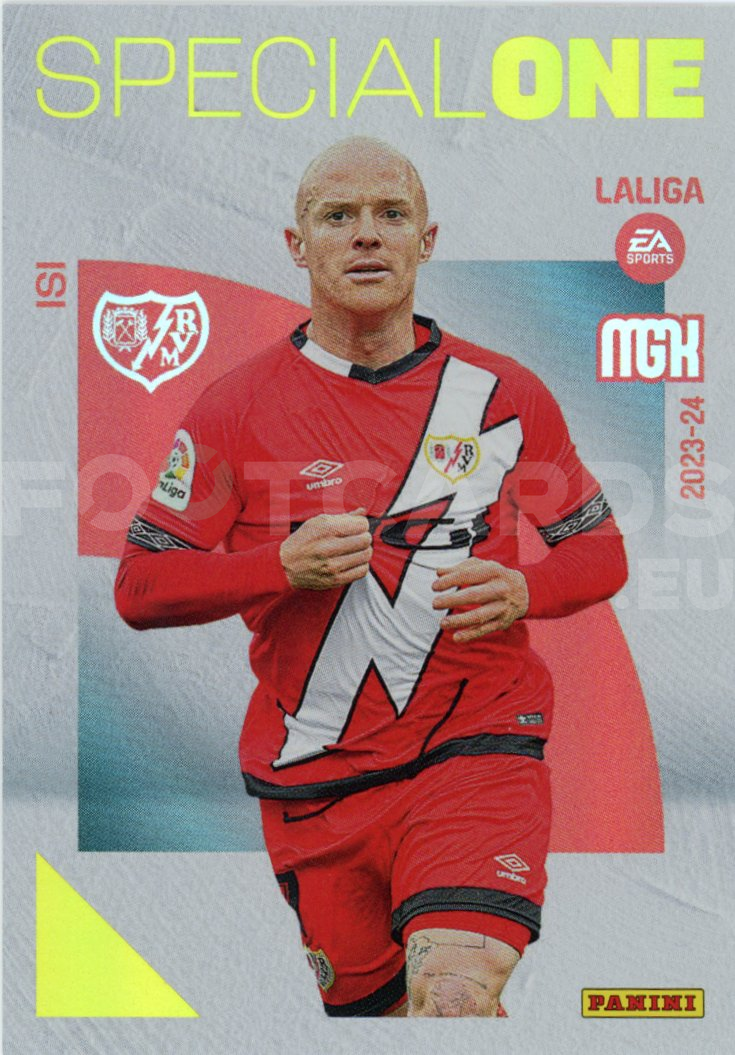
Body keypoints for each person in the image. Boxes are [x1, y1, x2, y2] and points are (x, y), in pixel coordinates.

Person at [115, 136, 627, 1017]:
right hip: (314, 782)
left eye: (391, 214)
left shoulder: (504, 393)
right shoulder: (234, 407)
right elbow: (139, 588)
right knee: (391, 1020)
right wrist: (276, 566)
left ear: (425, 240)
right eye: (337, 216)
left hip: (474, 749)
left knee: (454, 991)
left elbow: (600, 552)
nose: (366, 235)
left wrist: (528, 590)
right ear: (296, 244)